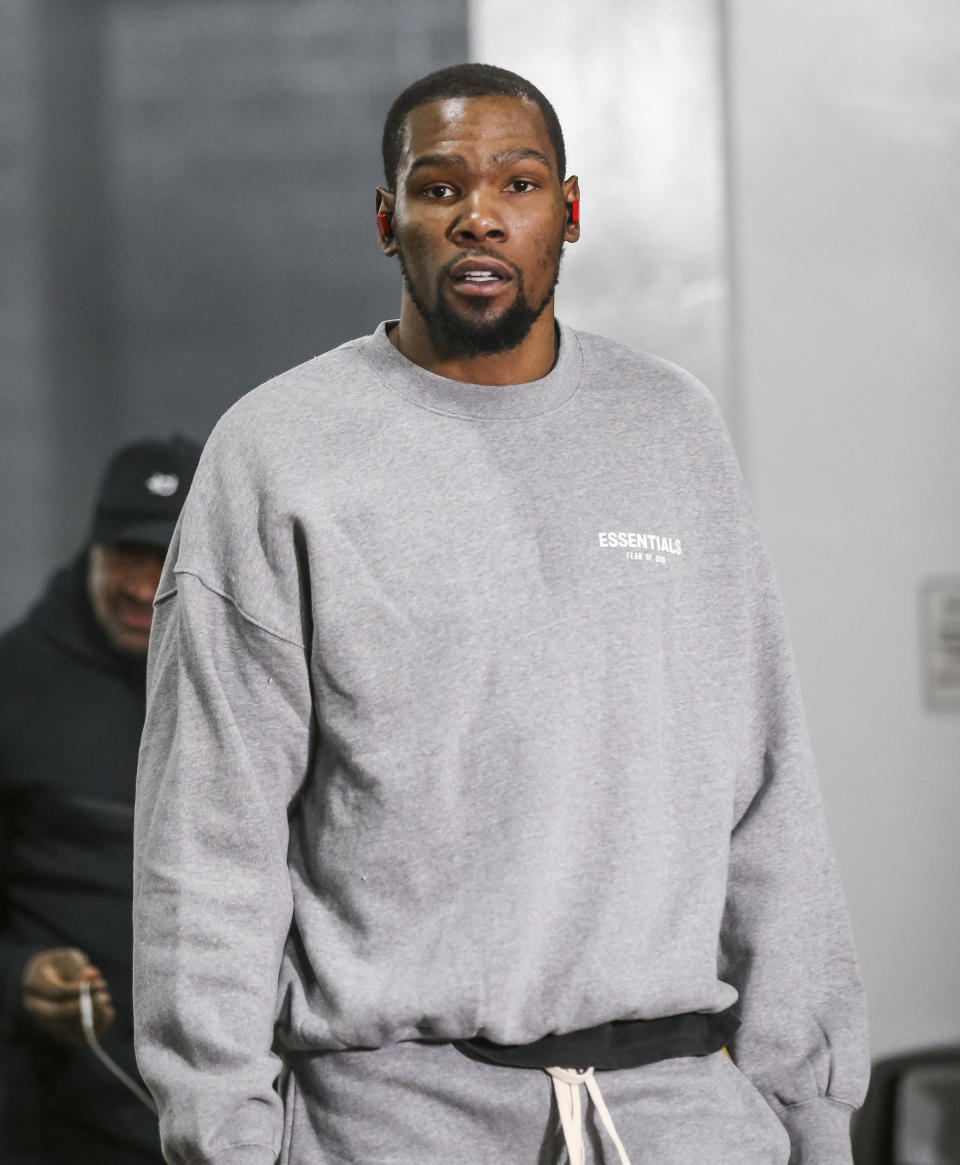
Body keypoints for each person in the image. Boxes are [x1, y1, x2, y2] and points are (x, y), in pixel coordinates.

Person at [132, 64, 870, 1165]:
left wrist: (805, 1110)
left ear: (569, 212)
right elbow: (211, 839)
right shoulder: (279, 453)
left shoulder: (670, 431)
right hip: (393, 1121)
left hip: (680, 1115)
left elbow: (764, 789)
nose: (479, 213)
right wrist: (226, 1140)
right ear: (389, 223)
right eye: (438, 189)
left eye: (518, 183)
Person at [0, 435, 201, 1164]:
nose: (143, 586)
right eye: (127, 553)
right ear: (90, 541)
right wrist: (19, 974)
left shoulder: (260, 681)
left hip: (249, 1113)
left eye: (167, 557)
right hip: (62, 1118)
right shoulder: (15, 684)